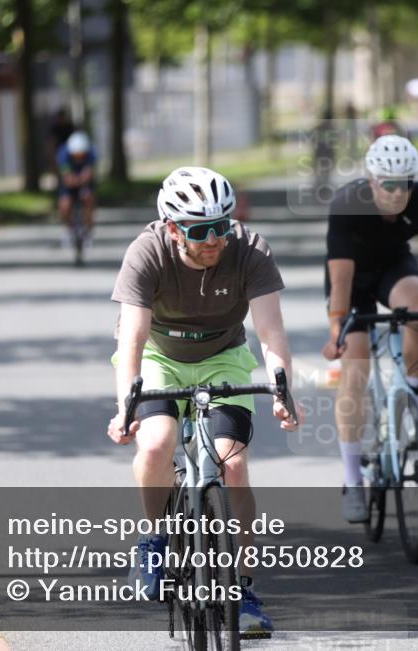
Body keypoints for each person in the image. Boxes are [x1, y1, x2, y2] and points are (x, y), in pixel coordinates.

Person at [106, 166, 300, 638]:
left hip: (223, 357)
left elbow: (271, 331)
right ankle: (155, 540)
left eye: (221, 225)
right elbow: (132, 339)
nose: (213, 239)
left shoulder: (250, 250)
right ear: (173, 229)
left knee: (233, 465)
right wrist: (126, 406)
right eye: (199, 231)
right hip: (159, 357)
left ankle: (244, 589)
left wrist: (282, 391)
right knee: (157, 443)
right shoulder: (146, 252)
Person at [322, 135, 418, 523]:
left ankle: (413, 410)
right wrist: (337, 327)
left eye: (404, 183)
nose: (395, 192)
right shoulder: (348, 203)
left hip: (394, 269)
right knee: (355, 370)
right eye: (387, 184)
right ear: (372, 180)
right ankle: (353, 478)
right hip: (352, 281)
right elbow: (340, 277)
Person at [56, 131, 97, 247]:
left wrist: (84, 179)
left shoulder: (91, 152)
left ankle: (88, 231)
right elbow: (66, 175)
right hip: (69, 184)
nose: (79, 157)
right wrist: (72, 180)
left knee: (88, 198)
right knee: (65, 204)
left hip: (85, 183)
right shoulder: (63, 154)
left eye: (81, 155)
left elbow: (89, 171)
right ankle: (69, 230)